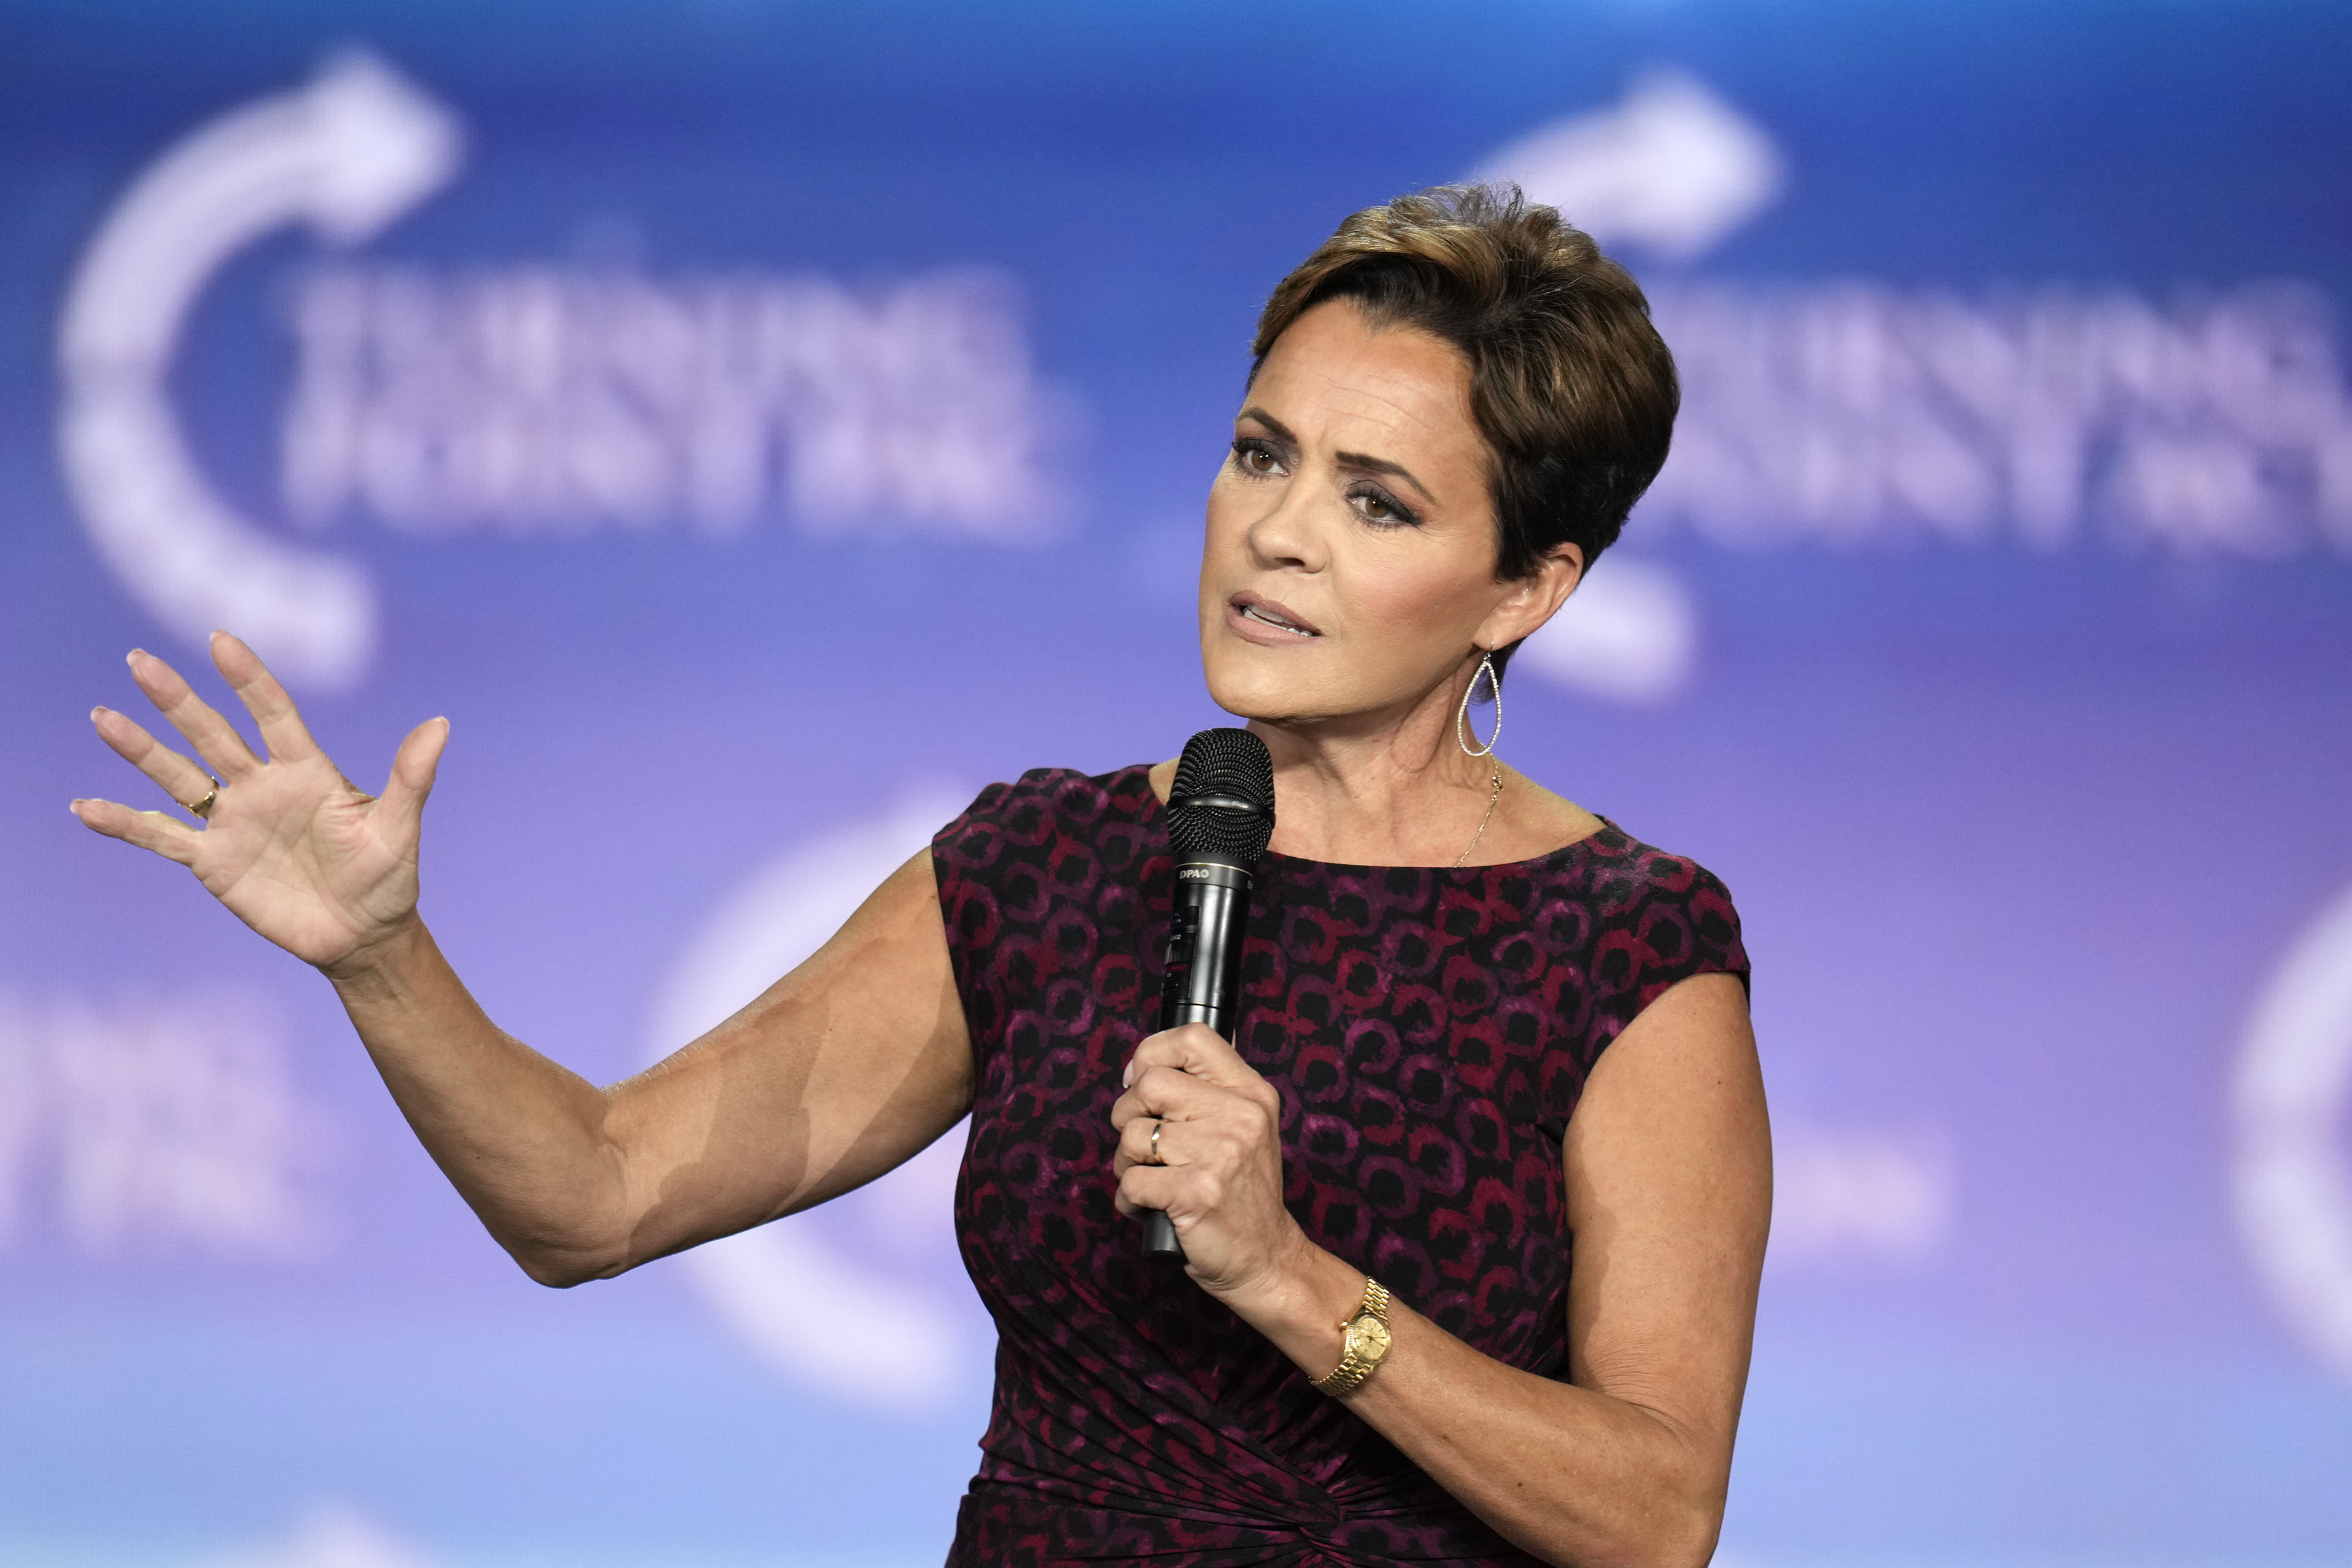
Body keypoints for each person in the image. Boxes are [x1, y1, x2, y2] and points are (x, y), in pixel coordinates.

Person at [73, 185, 1769, 1568]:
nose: (1279, 531)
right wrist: (382, 958)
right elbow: (590, 1196)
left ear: (1523, 590)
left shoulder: (1619, 944)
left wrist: (1291, 1279)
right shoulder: (1047, 865)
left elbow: (1656, 1516)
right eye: (1262, 453)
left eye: (1377, 502)